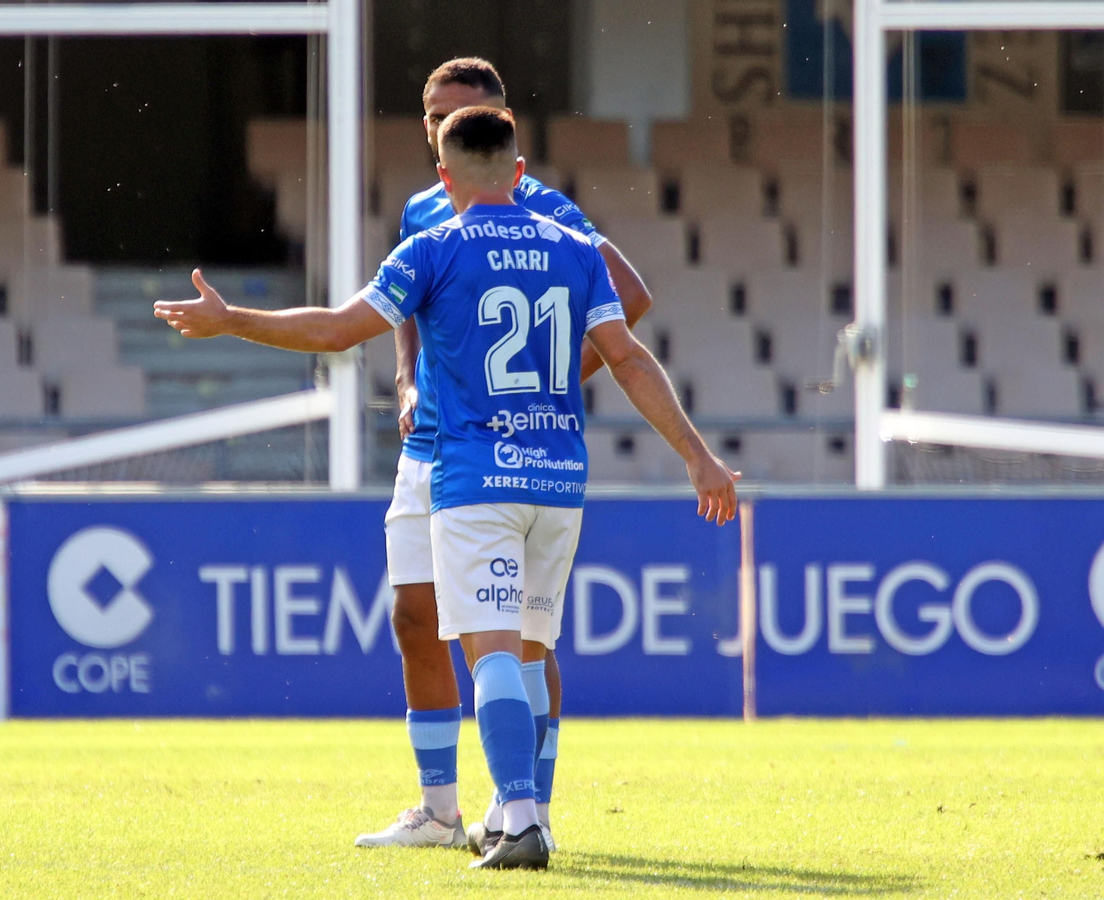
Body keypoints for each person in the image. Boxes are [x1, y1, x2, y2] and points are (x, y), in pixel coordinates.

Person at [155, 105, 737, 870]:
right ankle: (522, 814)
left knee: (490, 651)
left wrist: (234, 321)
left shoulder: (434, 246)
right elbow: (627, 356)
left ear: (444, 176)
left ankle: (521, 819)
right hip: (559, 478)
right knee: (530, 654)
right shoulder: (573, 246)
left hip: (475, 476)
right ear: (520, 172)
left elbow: (335, 330)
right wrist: (698, 456)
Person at [364, 57, 657, 851]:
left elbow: (631, 299)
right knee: (415, 617)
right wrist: (403, 378)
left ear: (501, 121)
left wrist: (548, 383)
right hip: (433, 445)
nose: (439, 125)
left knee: (523, 639)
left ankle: (528, 805)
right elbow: (407, 305)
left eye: (455, 113)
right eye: (430, 113)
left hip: (502, 452)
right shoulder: (427, 206)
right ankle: (438, 809)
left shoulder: (547, 210)